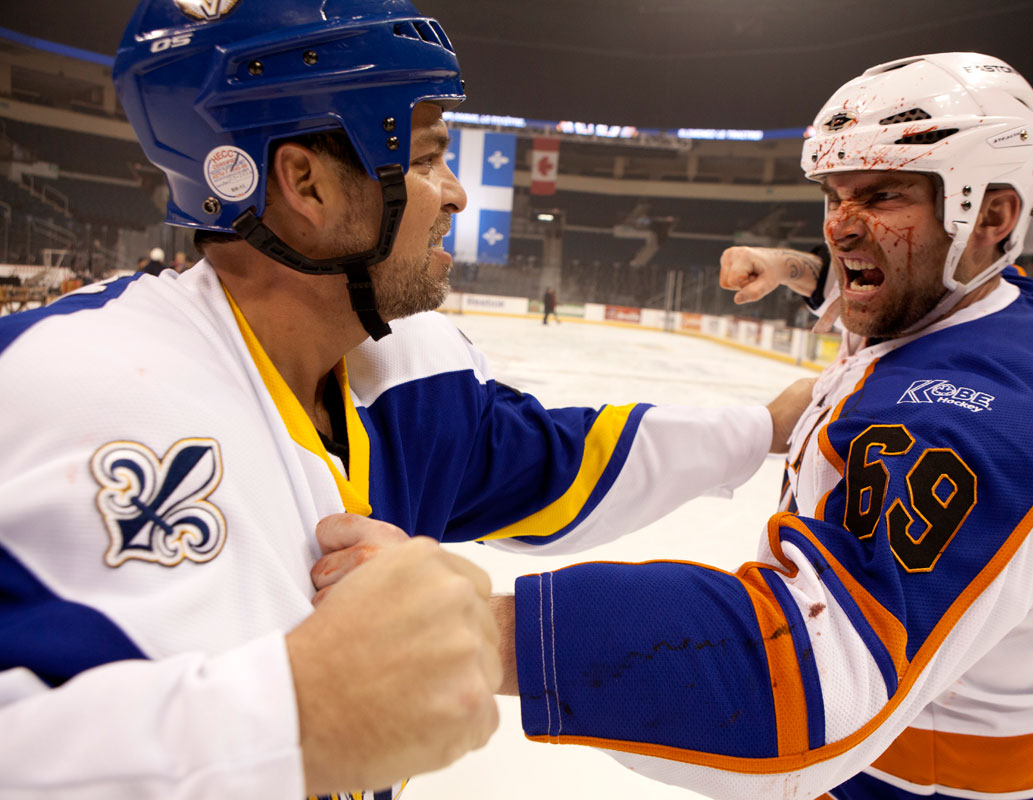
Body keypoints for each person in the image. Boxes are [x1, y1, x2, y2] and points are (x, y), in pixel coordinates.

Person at [0, 1, 810, 797]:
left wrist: (762, 427)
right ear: (306, 184)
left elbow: (562, 464)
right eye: (426, 159)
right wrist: (289, 720)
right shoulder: (53, 384)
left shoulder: (411, 370)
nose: (455, 194)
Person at [325, 53, 1033, 799]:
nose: (840, 228)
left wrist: (479, 631)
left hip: (922, 780)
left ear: (993, 215)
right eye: (834, 195)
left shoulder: (977, 424)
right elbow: (911, 288)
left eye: (881, 197)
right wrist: (797, 271)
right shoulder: (1015, 311)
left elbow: (806, 680)